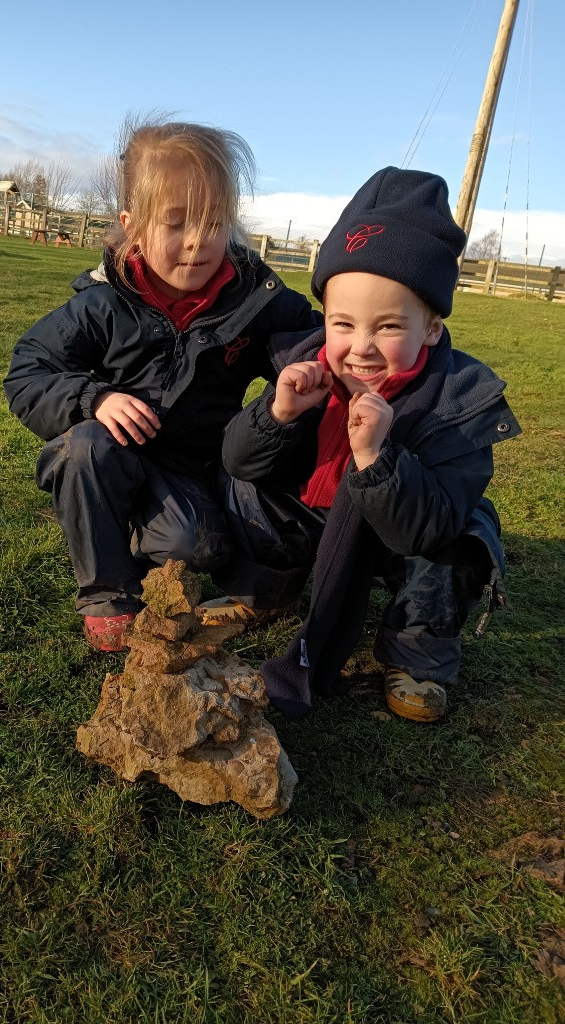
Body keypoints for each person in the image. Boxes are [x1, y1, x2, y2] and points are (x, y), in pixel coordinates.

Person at [208, 166, 521, 722]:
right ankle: (263, 588)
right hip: (311, 516)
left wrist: (378, 459)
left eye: (389, 327)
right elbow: (238, 459)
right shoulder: (304, 367)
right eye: (343, 323)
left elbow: (427, 525)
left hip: (397, 536)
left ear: (430, 327)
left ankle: (415, 653)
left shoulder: (458, 402)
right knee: (246, 477)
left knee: (463, 540)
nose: (362, 348)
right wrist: (276, 414)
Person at [3, 118, 321, 651]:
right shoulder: (102, 304)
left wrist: (326, 356)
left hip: (189, 469)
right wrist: (94, 398)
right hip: (113, 452)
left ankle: (137, 533)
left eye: (213, 222)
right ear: (134, 226)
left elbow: (311, 338)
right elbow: (28, 369)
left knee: (194, 548)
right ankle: (108, 594)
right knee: (82, 448)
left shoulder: (254, 300)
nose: (197, 241)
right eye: (175, 223)